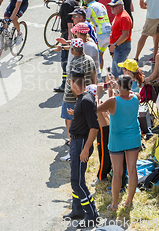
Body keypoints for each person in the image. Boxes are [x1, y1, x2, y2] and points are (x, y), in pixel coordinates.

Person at [62, 67, 100, 228]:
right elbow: (85, 116)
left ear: (72, 83)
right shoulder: (83, 98)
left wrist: (85, 149)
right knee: (77, 177)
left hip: (81, 144)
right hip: (76, 143)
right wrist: (75, 113)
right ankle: (77, 210)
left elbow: (94, 127)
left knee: (77, 182)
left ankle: (92, 215)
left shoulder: (85, 100)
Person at [97, 74, 140, 211]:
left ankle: (114, 205)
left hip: (117, 140)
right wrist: (118, 88)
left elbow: (96, 109)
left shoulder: (112, 101)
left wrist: (98, 96)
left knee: (117, 173)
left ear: (119, 86)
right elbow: (129, 95)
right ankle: (129, 201)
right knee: (132, 170)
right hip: (133, 137)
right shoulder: (136, 98)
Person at [60, 38, 97, 160]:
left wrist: (78, 99)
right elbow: (94, 78)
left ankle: (73, 152)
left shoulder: (73, 63)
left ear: (72, 50)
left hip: (71, 99)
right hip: (86, 96)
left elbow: (72, 85)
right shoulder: (90, 60)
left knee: (71, 127)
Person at [51, 0, 77, 92]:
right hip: (76, 33)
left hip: (68, 34)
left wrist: (69, 37)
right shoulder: (73, 1)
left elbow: (69, 20)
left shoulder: (65, 4)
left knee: (65, 59)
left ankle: (64, 84)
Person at [83, 0, 111, 71]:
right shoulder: (101, 5)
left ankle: (99, 76)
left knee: (97, 56)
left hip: (100, 33)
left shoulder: (89, 8)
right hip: (109, 32)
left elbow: (86, 24)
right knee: (101, 55)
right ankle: (102, 74)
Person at [108, 0, 133, 79]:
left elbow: (125, 35)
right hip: (119, 46)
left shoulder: (124, 17)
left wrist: (114, 45)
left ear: (120, 6)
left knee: (117, 74)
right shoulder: (118, 15)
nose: (111, 8)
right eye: (111, 6)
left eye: (113, 6)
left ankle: (119, 90)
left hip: (121, 47)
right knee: (117, 71)